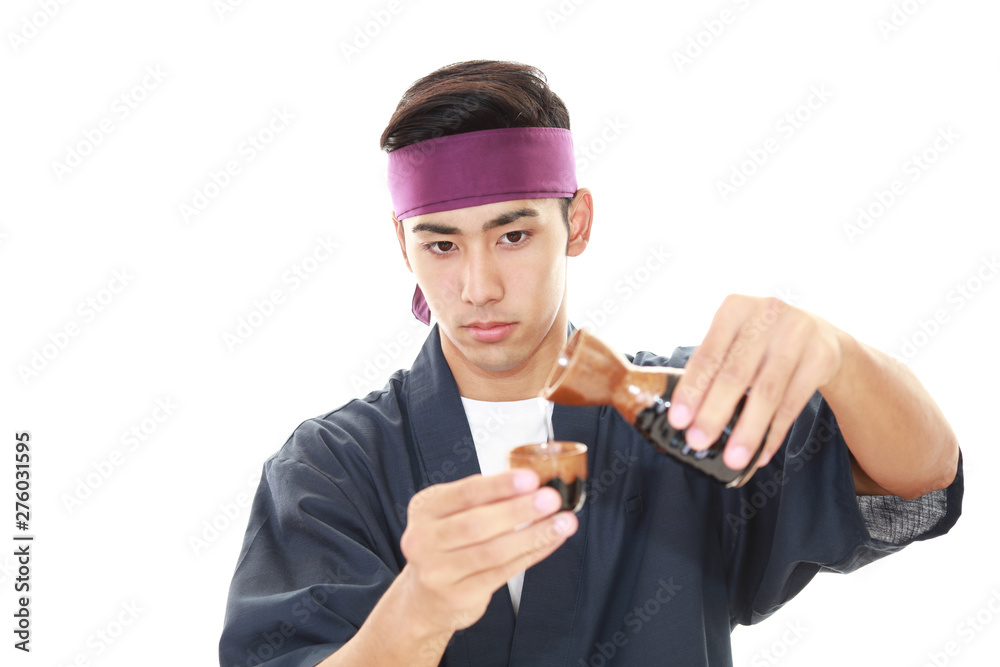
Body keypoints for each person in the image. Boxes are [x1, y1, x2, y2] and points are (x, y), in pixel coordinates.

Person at [219, 60, 963, 666]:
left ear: (576, 222)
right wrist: (419, 611)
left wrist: (841, 358)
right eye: (441, 244)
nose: (477, 286)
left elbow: (921, 479)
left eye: (513, 236)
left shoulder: (684, 410)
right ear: (402, 244)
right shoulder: (332, 467)